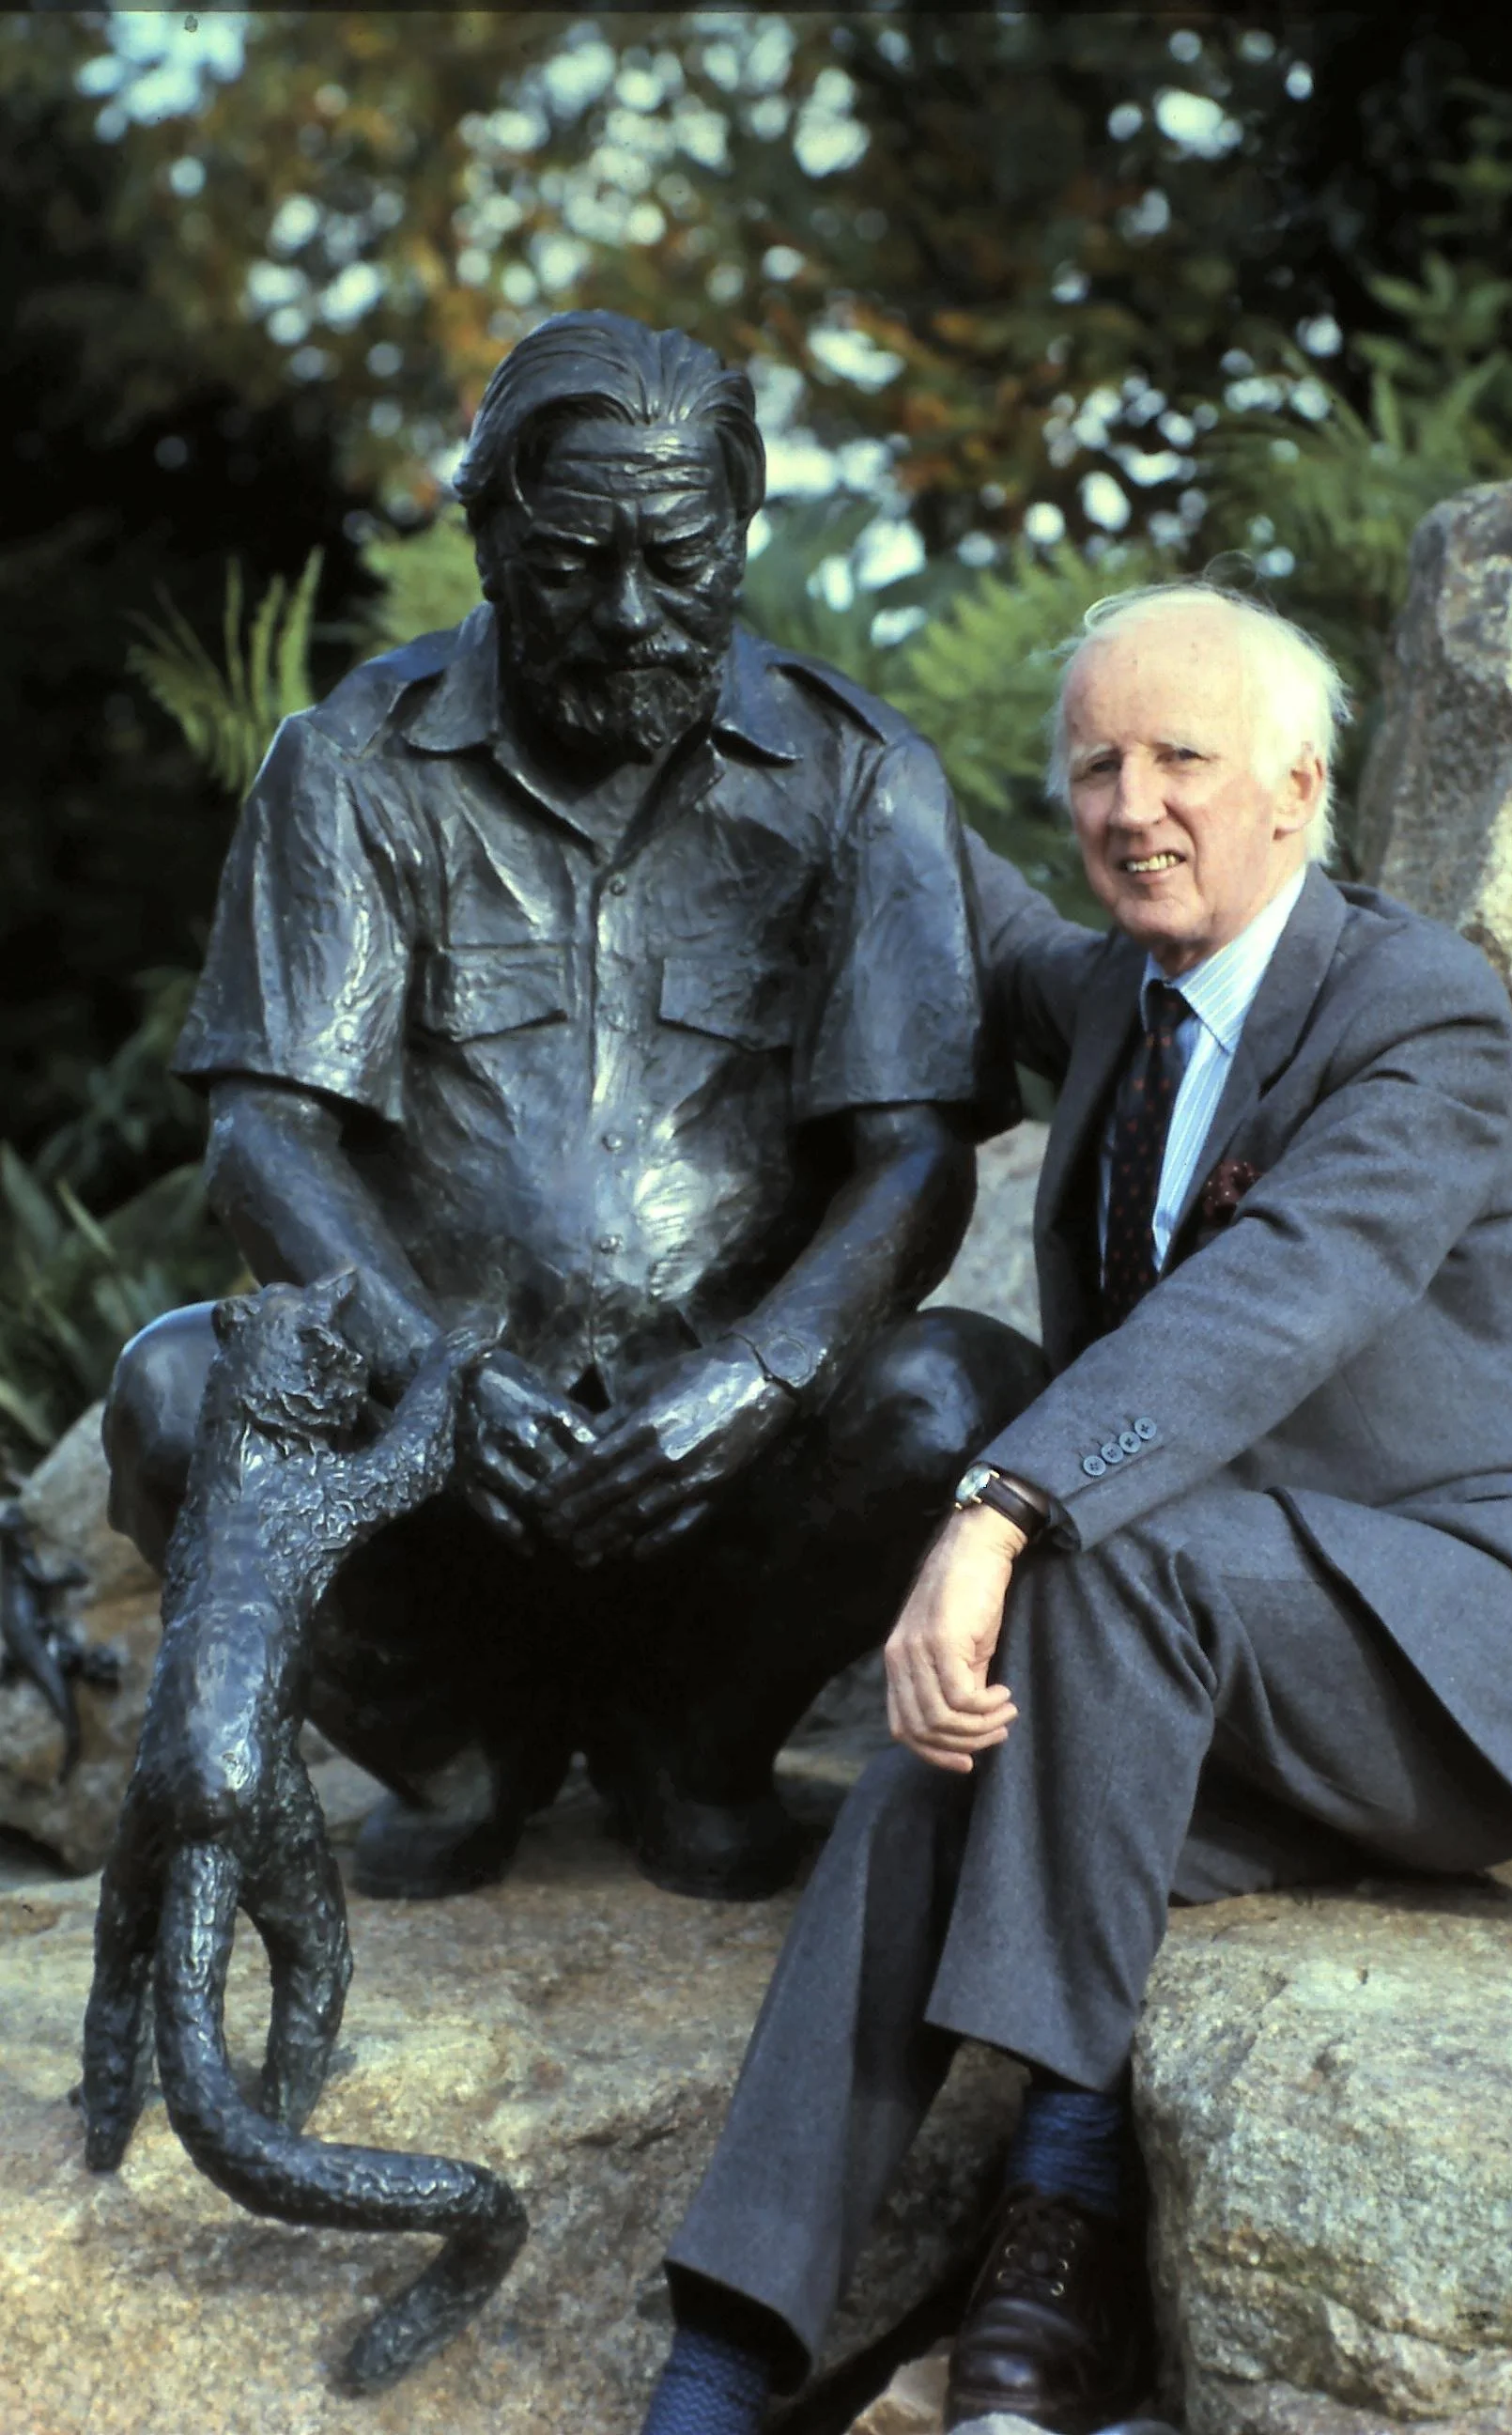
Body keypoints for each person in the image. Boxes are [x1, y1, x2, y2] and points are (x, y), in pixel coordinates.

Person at [636, 582, 1512, 2435]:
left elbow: (1272, 1300)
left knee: (1076, 1578)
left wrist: (992, 1512)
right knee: (946, 1753)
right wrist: (718, 660)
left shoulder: (1419, 1013)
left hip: (1458, 1648)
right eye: (1096, 764)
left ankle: (1059, 2196)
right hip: (1191, 1665)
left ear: (1301, 786)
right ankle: (725, 2351)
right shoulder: (1126, 999)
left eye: (1182, 759)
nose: (1131, 802)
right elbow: (951, 888)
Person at [101, 311, 1041, 1904]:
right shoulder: (347, 769)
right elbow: (270, 1137)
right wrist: (437, 1387)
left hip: (734, 1483)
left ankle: (702, 1743)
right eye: (567, 563)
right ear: (483, 538)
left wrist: (754, 1383)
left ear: (740, 536)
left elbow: (912, 1161)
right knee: (180, 1394)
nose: (626, 615)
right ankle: (465, 1749)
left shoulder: (859, 777)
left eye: (677, 563)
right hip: (432, 1479)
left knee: (960, 1394)